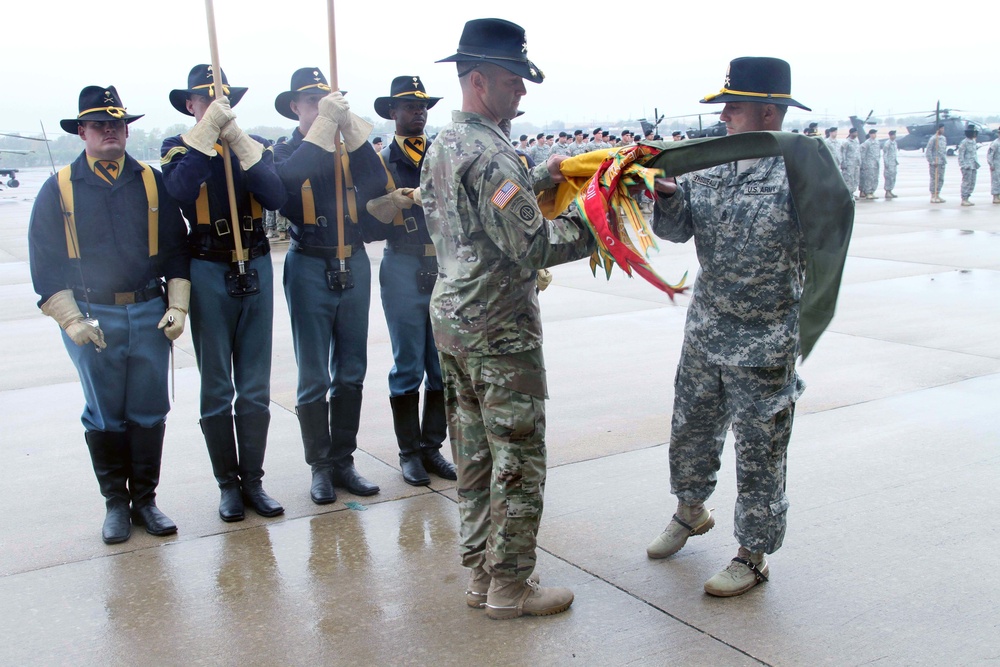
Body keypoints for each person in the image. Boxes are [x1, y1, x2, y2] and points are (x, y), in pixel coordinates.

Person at [422, 18, 596, 620]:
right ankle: (512, 587)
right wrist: (601, 218)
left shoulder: (446, 143)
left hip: (455, 324)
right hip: (499, 332)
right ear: (477, 81)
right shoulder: (490, 153)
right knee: (517, 459)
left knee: (472, 456)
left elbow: (473, 217)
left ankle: (480, 576)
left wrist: (541, 176)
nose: (522, 92)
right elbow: (535, 246)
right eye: (512, 81)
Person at [645, 57, 816, 597]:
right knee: (690, 430)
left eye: (734, 107)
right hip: (706, 331)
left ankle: (753, 553)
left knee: (760, 449)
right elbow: (676, 231)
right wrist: (668, 196)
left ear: (769, 111)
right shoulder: (713, 167)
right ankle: (689, 510)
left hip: (765, 340)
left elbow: (829, 240)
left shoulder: (800, 172)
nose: (724, 117)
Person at [28, 85, 189, 544]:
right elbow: (45, 263)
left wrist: (178, 305)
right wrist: (70, 319)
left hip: (148, 311)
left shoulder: (151, 181)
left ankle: (146, 501)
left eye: (116, 124)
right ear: (82, 131)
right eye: (100, 124)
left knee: (149, 409)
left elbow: (176, 250)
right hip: (92, 316)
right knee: (104, 415)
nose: (109, 132)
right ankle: (116, 505)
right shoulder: (59, 189)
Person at [161, 64, 287, 522]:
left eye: (222, 100)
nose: (216, 105)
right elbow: (177, 190)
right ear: (190, 105)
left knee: (254, 386)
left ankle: (253, 480)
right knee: (217, 386)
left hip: (254, 263)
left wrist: (235, 140)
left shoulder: (254, 146)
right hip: (209, 266)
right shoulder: (178, 148)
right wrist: (208, 133)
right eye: (205, 100)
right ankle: (227, 485)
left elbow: (275, 196)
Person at [272, 67, 388, 504]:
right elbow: (284, 185)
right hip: (309, 264)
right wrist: (322, 127)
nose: (320, 108)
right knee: (313, 374)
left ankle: (344, 459)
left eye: (327, 101)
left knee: (352, 369)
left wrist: (350, 131)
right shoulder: (284, 150)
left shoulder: (348, 150)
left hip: (352, 260)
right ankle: (319, 465)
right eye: (311, 102)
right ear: (295, 107)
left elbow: (377, 184)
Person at [367, 75, 457, 486]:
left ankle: (431, 447)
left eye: (422, 106)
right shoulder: (382, 162)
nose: (418, 112)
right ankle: (408, 453)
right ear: (392, 112)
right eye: (408, 106)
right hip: (402, 264)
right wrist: (388, 203)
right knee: (408, 364)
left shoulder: (442, 152)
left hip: (441, 264)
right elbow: (367, 222)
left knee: (441, 366)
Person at [957, 125, 980, 206]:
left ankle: (968, 197)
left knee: (972, 182)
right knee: (966, 182)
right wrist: (963, 165)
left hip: (973, 165)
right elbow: (960, 155)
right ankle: (964, 198)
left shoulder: (973, 142)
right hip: (967, 166)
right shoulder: (964, 142)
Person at [926, 123, 948, 203]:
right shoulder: (933, 139)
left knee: (940, 179)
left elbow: (943, 150)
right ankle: (933, 195)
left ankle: (938, 194)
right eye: (941, 128)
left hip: (942, 162)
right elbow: (928, 151)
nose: (942, 130)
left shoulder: (943, 138)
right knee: (934, 179)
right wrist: (931, 161)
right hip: (935, 163)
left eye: (943, 128)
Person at [858, 128, 881, 199]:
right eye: (873, 133)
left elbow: (878, 153)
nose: (874, 135)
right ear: (870, 134)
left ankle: (872, 191)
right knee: (869, 178)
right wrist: (864, 162)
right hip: (869, 163)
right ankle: (867, 192)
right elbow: (862, 152)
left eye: (875, 133)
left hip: (876, 163)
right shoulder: (867, 143)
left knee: (875, 178)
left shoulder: (877, 142)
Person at [840, 126, 861, 199]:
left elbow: (858, 152)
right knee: (849, 179)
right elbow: (843, 153)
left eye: (856, 132)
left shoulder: (856, 141)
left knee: (855, 179)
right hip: (849, 164)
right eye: (855, 132)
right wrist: (844, 163)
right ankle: (848, 194)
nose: (856, 134)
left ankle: (852, 192)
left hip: (856, 164)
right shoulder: (846, 142)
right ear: (851, 133)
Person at [882, 129, 899, 198]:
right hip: (889, 163)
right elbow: (885, 154)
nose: (895, 136)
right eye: (894, 135)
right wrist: (886, 163)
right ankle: (887, 191)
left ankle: (890, 190)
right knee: (888, 178)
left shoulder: (894, 143)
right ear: (890, 135)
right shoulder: (887, 143)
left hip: (893, 163)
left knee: (893, 178)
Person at [988, 127, 1000, 204]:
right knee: (996, 180)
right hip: (996, 164)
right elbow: (990, 155)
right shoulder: (995, 143)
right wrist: (991, 164)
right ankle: (995, 196)